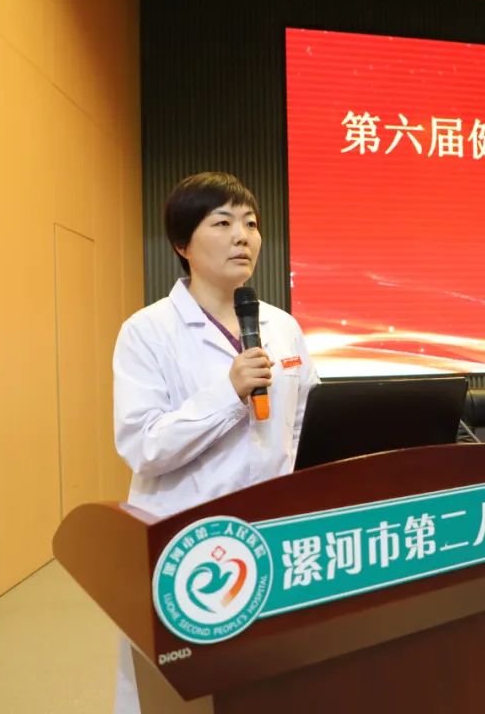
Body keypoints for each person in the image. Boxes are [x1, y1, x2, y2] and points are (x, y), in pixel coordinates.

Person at [110, 172, 319, 712]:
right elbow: (143, 445)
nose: (242, 236)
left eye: (250, 223)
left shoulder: (282, 327)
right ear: (183, 245)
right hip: (185, 545)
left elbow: (302, 426)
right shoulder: (147, 332)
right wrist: (228, 394)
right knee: (180, 693)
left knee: (267, 687)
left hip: (272, 538)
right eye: (222, 223)